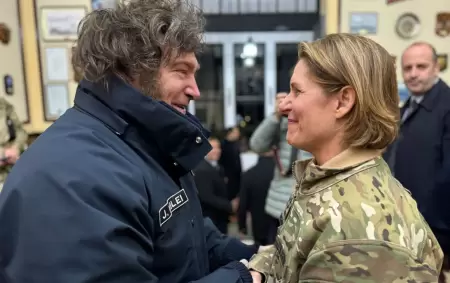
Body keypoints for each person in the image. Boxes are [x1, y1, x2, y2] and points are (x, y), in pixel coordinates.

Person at [0, 1, 261, 282]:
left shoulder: (146, 144)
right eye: (181, 71)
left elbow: (184, 236)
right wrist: (242, 277)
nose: (195, 90)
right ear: (133, 69)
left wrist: (255, 255)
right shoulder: (72, 177)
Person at [247, 33, 443, 282]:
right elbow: (292, 255)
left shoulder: (359, 231)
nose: (285, 105)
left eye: (297, 91)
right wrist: (259, 272)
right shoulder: (326, 179)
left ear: (343, 101)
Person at [383, 42, 450, 283]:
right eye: (407, 67)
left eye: (421, 66)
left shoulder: (446, 106)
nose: (413, 73)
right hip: (405, 221)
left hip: (432, 226)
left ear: (436, 68)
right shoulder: (408, 107)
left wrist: (437, 228)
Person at [249, 92, 312, 244]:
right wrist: (277, 116)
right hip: (279, 205)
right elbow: (256, 145)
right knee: (276, 258)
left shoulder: (317, 119)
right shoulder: (283, 121)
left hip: (310, 207)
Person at [194, 136, 239, 234]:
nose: (217, 151)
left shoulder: (218, 167)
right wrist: (230, 206)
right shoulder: (202, 170)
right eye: (213, 148)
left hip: (219, 217)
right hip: (211, 220)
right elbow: (206, 197)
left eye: (218, 147)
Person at [0, 97, 28, 190]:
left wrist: (15, 148)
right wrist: (3, 153)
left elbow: (21, 131)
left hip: (11, 172)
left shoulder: (4, 105)